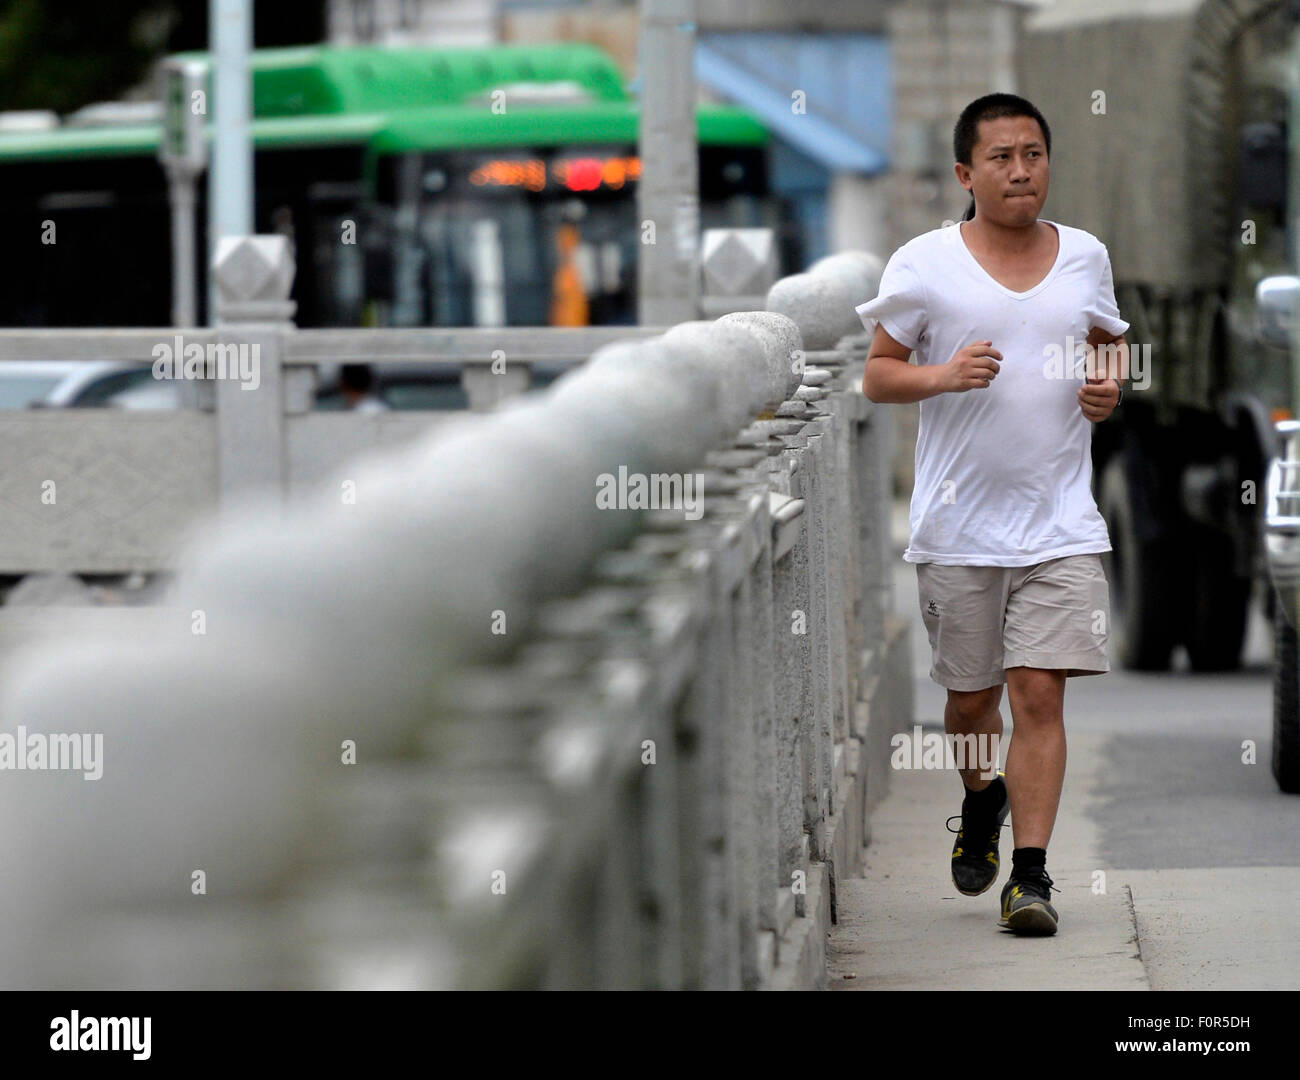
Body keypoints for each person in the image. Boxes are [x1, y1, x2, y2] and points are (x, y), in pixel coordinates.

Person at [855, 93, 1130, 936]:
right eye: (1003, 158)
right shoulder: (923, 263)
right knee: (973, 704)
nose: (1021, 171)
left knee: (1037, 692)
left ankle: (1032, 878)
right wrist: (942, 375)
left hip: (1060, 523)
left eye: (1034, 154)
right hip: (959, 527)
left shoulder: (1084, 255)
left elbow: (1109, 338)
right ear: (965, 174)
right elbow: (876, 374)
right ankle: (982, 800)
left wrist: (1107, 385)